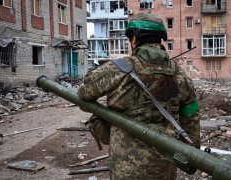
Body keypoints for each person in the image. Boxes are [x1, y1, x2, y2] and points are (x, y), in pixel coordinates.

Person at [77, 13, 200, 180]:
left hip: (125, 167)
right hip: (165, 167)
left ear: (134, 39)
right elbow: (191, 118)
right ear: (160, 40)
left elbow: (85, 92)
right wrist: (191, 156)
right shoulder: (180, 75)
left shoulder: (118, 69)